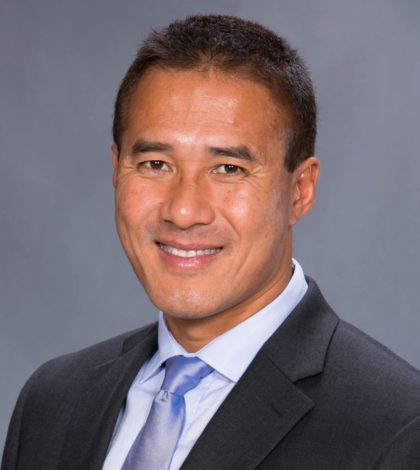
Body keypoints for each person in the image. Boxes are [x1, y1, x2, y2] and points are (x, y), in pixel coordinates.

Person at [2, 14, 420, 470]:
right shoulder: (52, 404)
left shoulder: (398, 429)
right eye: (156, 164)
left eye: (228, 169)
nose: (183, 211)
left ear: (300, 191)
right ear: (117, 169)